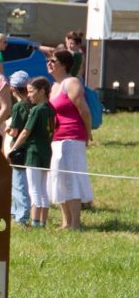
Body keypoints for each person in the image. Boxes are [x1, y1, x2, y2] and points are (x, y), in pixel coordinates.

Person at [46, 49, 92, 230]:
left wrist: (88, 133)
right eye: (48, 60)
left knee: (71, 179)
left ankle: (76, 223)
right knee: (58, 179)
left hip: (72, 137)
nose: (49, 63)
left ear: (64, 64)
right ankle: (66, 222)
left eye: (53, 61)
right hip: (56, 138)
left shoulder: (71, 83)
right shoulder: (53, 86)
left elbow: (84, 110)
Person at [8, 77, 54, 229]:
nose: (28, 95)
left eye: (31, 91)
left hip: (33, 152)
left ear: (42, 91)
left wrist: (13, 149)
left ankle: (35, 222)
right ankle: (42, 222)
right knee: (43, 189)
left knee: (34, 189)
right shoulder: (50, 108)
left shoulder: (36, 110)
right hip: (46, 151)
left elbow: (25, 132)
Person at [5, 70, 33, 226]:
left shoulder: (18, 107)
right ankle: (15, 211)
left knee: (19, 183)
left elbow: (15, 131)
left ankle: (21, 216)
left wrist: (8, 130)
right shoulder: (34, 104)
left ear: (12, 88)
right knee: (26, 183)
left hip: (19, 149)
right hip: (32, 148)